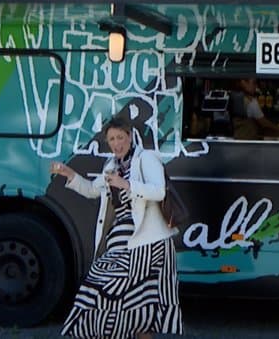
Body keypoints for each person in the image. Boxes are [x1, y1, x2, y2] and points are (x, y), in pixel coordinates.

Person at [51, 117, 182, 339]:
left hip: (147, 241)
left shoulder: (146, 158)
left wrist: (128, 185)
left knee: (122, 294)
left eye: (120, 137)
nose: (117, 143)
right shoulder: (111, 166)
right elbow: (93, 190)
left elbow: (159, 191)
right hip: (120, 239)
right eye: (112, 139)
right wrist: (69, 174)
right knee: (136, 303)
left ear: (130, 137)